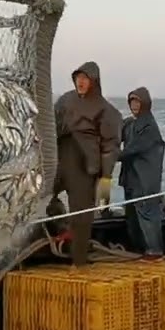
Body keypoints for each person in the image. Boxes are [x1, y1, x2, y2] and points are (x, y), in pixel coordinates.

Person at [48, 62, 122, 266]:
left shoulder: (107, 111)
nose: (80, 82)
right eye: (77, 78)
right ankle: (62, 230)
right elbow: (48, 125)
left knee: (82, 216)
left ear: (94, 81)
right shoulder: (65, 100)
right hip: (58, 158)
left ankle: (78, 263)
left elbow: (110, 148)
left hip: (85, 165)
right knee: (40, 198)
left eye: (85, 78)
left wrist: (105, 181)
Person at [118, 87, 165, 260]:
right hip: (130, 180)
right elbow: (115, 132)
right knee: (132, 218)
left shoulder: (149, 127)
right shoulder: (130, 123)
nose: (134, 105)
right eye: (132, 102)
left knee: (147, 215)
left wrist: (110, 157)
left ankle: (154, 251)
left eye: (138, 102)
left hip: (145, 181)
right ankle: (139, 250)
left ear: (146, 103)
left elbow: (132, 150)